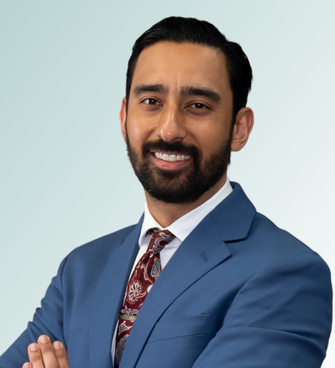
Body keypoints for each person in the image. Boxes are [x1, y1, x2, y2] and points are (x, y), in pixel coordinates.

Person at [0, 16, 332, 368]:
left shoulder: (287, 274)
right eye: (151, 101)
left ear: (239, 128)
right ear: (125, 116)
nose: (170, 129)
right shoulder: (82, 270)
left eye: (198, 106)